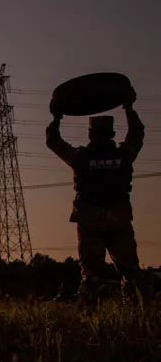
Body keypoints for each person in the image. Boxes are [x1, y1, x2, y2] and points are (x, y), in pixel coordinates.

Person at [46, 103, 152, 307]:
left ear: (91, 135)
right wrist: (129, 108)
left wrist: (56, 118)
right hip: (118, 218)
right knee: (130, 271)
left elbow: (54, 142)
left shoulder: (80, 157)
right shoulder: (124, 156)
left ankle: (89, 318)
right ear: (111, 134)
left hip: (90, 219)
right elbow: (137, 134)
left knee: (91, 277)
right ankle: (138, 314)